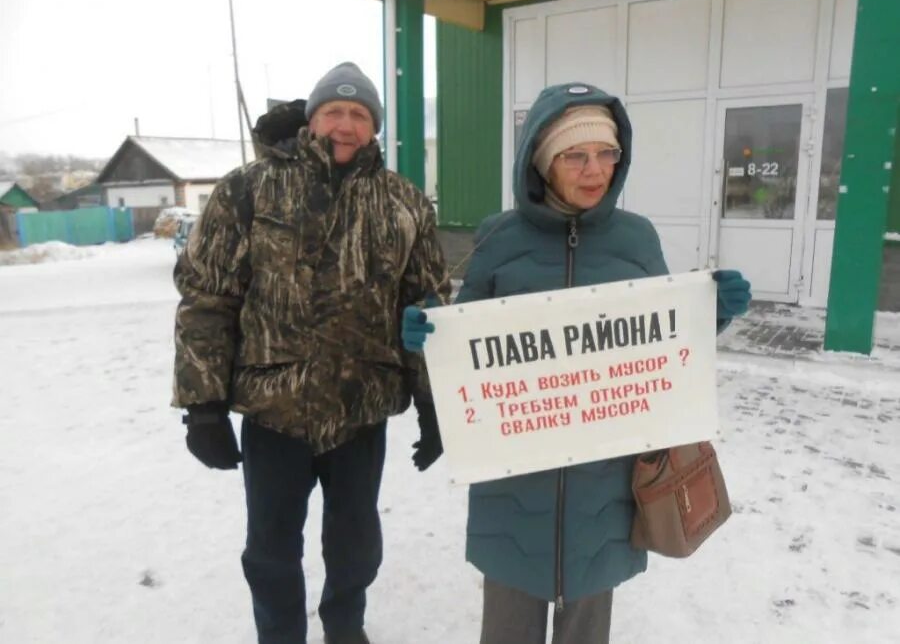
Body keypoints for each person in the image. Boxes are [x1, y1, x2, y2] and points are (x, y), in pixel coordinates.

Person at [401, 82, 751, 644]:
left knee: (587, 627)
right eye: (576, 155)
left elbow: (662, 342)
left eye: (607, 153)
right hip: (514, 478)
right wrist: (429, 339)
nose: (596, 170)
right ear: (542, 161)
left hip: (604, 481)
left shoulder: (637, 239)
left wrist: (712, 316)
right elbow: (467, 346)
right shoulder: (499, 239)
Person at [173, 61, 450, 644]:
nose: (344, 125)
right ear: (312, 119)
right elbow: (208, 298)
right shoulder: (248, 189)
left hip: (361, 410)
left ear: (374, 126)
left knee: (355, 548)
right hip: (276, 411)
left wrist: (434, 401)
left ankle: (345, 630)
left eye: (358, 114)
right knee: (271, 551)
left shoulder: (405, 203)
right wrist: (203, 407)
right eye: (333, 112)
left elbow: (426, 308)